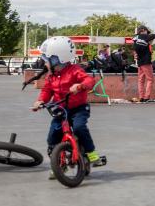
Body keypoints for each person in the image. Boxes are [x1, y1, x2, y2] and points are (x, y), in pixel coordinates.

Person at [31, 36, 102, 180]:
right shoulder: (52, 76)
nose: (44, 62)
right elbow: (47, 91)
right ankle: (57, 163)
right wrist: (40, 101)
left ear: (58, 58)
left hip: (78, 108)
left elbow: (89, 80)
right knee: (53, 135)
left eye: (47, 58)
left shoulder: (74, 70)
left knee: (79, 127)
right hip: (60, 109)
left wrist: (80, 86)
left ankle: (91, 153)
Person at [133, 25, 155, 102]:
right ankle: (147, 97)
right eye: (147, 31)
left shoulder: (135, 39)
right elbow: (154, 35)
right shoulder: (145, 37)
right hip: (146, 62)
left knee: (141, 80)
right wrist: (147, 36)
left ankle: (141, 97)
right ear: (143, 30)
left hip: (140, 62)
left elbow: (135, 51)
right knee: (150, 79)